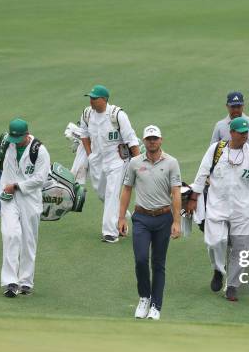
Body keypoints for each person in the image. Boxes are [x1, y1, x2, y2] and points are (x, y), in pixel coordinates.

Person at [186, 117, 249, 301]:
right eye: (241, 133)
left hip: (242, 209)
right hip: (217, 206)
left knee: (241, 248)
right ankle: (218, 269)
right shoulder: (216, 150)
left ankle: (232, 285)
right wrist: (194, 197)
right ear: (231, 132)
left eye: (246, 133)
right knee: (214, 242)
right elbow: (202, 173)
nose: (245, 136)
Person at [0, 119, 51, 297]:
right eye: (12, 138)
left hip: (30, 199)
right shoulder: (6, 140)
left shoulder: (39, 150)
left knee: (28, 239)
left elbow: (41, 179)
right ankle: (10, 282)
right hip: (8, 196)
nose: (14, 142)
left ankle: (25, 282)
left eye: (18, 138)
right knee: (10, 234)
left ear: (27, 135)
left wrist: (17, 186)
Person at [119, 125, 182, 320]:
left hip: (164, 217)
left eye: (155, 138)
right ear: (144, 141)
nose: (152, 141)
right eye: (149, 139)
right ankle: (144, 297)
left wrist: (177, 221)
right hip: (141, 218)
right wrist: (121, 217)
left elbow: (176, 193)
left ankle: (156, 305)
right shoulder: (135, 163)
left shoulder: (171, 163)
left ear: (161, 140)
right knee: (140, 259)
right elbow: (127, 189)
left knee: (158, 263)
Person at [78, 85, 140, 243]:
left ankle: (110, 232)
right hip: (97, 161)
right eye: (90, 98)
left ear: (104, 99)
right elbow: (83, 135)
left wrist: (139, 164)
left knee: (112, 193)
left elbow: (131, 139)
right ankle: (123, 216)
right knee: (102, 194)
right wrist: (89, 154)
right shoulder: (87, 114)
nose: (91, 101)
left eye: (94, 98)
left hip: (117, 160)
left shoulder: (117, 115)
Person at [211, 91, 249, 180]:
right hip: (226, 170)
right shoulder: (219, 126)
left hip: (248, 168)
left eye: (238, 106)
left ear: (243, 106)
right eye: (233, 107)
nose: (236, 110)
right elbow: (213, 149)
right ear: (227, 106)